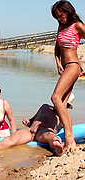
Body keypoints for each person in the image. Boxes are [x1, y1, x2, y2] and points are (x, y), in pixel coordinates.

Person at [0, 93, 75, 156]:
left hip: (44, 132)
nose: (63, 106)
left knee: (51, 136)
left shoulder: (64, 116)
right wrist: (28, 121)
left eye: (66, 105)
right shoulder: (45, 107)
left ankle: (57, 147)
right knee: (11, 139)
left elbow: (67, 130)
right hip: (30, 131)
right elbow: (32, 120)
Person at [50, 0, 85, 148]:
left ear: (68, 11)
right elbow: (57, 48)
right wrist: (58, 64)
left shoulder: (77, 26)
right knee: (62, 103)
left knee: (55, 98)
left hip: (73, 65)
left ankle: (69, 137)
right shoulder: (61, 27)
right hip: (65, 67)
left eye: (61, 15)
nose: (59, 18)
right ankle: (68, 137)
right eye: (57, 16)